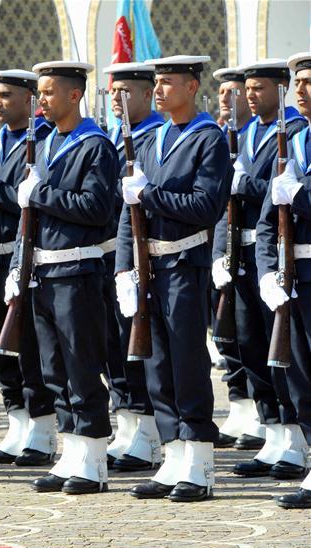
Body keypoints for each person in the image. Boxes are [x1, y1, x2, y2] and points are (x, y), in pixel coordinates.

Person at [117, 55, 230, 503]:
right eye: (157, 83)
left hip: (186, 262)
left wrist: (150, 193)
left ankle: (199, 459)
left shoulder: (208, 139)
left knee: (186, 361)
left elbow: (205, 206)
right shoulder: (152, 140)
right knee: (157, 365)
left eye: (167, 82)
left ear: (191, 87)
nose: (158, 90)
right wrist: (124, 266)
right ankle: (173, 454)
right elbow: (130, 217)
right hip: (151, 267)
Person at [4, 61, 116, 495]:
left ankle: (93, 458)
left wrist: (42, 194)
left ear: (74, 95)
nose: (41, 100)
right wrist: (19, 263)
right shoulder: (47, 143)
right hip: (43, 270)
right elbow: (29, 218)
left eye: (49, 92)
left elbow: (96, 209)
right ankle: (71, 452)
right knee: (55, 370)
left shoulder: (95, 146)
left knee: (82, 366)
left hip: (78, 269)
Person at [217, 60, 308, 480]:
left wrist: (246, 186)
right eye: (246, 88)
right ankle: (273, 431)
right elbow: (231, 206)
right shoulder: (249, 132)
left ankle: (293, 438)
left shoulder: (289, 132)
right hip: (249, 255)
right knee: (252, 345)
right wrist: (223, 252)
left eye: (258, 88)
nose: (249, 95)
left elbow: (276, 196)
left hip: (281, 255)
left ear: (280, 90)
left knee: (286, 351)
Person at [0, 69, 57, 468]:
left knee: (28, 346)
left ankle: (42, 428)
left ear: (30, 99)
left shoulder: (43, 141)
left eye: (6, 94)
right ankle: (17, 420)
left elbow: (30, 200)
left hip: (24, 255)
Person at [101, 62, 165, 472]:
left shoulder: (155, 136)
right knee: (115, 345)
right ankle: (127, 421)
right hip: (113, 252)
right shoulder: (112, 138)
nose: (116, 100)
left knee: (143, 344)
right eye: (112, 92)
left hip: (147, 255)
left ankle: (148, 428)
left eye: (125, 91)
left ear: (147, 93)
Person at [255, 51, 311, 509]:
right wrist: (267, 271)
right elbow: (268, 221)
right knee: (300, 376)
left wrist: (303, 194)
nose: (304, 91)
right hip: (296, 276)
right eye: (301, 83)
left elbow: (296, 199)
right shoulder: (292, 143)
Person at [209, 66, 260, 449]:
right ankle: (244, 407)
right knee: (233, 336)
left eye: (233, 92)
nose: (227, 99)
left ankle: (271, 417)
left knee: (261, 338)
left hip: (262, 251)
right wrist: (218, 253)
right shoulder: (225, 138)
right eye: (222, 93)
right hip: (229, 248)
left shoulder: (275, 134)